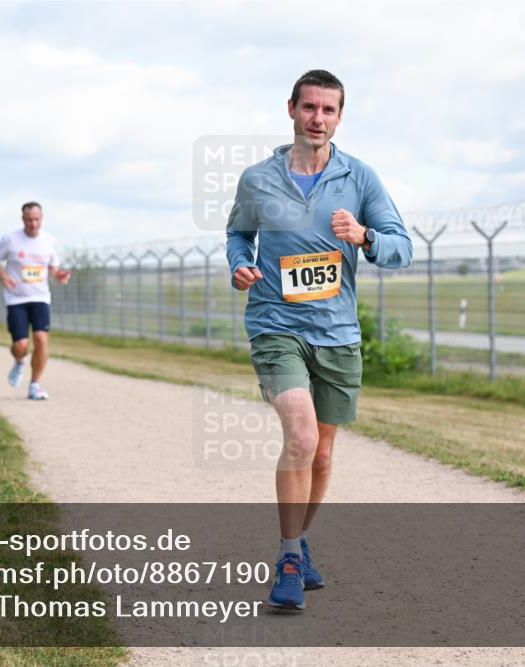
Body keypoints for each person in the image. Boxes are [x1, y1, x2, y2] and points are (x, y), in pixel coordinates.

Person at [226, 70, 412, 611]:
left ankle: (299, 541)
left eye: (329, 110)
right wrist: (240, 264)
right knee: (302, 438)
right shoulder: (258, 179)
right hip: (275, 325)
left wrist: (365, 236)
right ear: (291, 109)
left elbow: (403, 247)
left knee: (324, 455)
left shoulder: (359, 178)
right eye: (309, 107)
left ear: (339, 117)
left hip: (336, 334)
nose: (318, 119)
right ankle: (288, 558)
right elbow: (239, 233)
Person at [0, 201, 71, 400]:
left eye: (36, 219)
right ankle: (19, 362)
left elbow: (53, 267)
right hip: (16, 299)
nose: (33, 224)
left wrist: (59, 275)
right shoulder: (10, 239)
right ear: (22, 219)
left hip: (40, 297)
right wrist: (3, 276)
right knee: (21, 346)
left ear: (41, 219)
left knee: (41, 340)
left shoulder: (49, 240)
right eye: (29, 220)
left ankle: (35, 385)